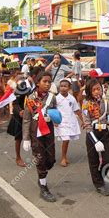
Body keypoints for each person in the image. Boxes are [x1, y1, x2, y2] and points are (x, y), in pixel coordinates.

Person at [22, 71, 58, 202]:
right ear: (38, 83)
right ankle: (43, 187)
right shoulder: (30, 99)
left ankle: (42, 175)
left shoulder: (52, 98)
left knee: (51, 160)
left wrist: (54, 118)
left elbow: (56, 114)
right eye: (45, 81)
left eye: (49, 81)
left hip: (48, 131)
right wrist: (25, 139)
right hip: (35, 132)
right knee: (40, 159)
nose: (48, 84)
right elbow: (26, 119)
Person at [82, 78, 109, 196]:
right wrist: (95, 142)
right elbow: (87, 124)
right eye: (94, 89)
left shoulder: (105, 102)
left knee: (108, 159)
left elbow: (108, 115)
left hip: (104, 132)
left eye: (98, 89)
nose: (97, 91)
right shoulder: (86, 104)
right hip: (92, 134)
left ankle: (99, 176)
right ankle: (99, 184)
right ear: (89, 91)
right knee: (94, 160)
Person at [7, 75, 33, 167]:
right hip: (20, 117)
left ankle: (38, 155)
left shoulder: (37, 88)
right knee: (19, 138)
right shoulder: (22, 86)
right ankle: (18, 157)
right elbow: (15, 103)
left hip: (33, 116)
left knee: (35, 135)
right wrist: (19, 111)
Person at [55, 79, 82, 167]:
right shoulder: (56, 98)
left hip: (70, 121)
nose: (63, 88)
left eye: (65, 86)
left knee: (67, 140)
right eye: (61, 86)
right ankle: (63, 158)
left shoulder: (72, 98)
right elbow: (52, 110)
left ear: (69, 87)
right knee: (65, 139)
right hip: (61, 122)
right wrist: (54, 120)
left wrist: (83, 121)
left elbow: (77, 110)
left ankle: (65, 157)